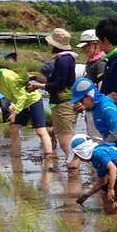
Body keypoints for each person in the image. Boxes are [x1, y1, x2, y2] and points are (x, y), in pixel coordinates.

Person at [0, 58, 55, 162]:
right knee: (13, 130)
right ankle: (16, 157)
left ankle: (49, 157)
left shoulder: (7, 76)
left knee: (40, 131)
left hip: (33, 100)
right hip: (20, 103)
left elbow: (22, 97)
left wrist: (14, 113)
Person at [70, 134, 117, 216]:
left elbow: (113, 169)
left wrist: (111, 189)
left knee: (113, 205)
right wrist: (87, 195)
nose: (79, 159)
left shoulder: (98, 153)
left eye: (78, 156)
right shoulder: (96, 157)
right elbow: (102, 181)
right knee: (105, 195)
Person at [42, 28, 78, 163]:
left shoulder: (63, 60)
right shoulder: (66, 59)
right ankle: (73, 170)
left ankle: (74, 172)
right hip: (64, 102)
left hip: (64, 103)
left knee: (65, 142)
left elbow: (60, 84)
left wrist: (40, 86)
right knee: (65, 139)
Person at [71, 76, 117, 143]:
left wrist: (101, 146)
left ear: (90, 95)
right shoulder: (94, 105)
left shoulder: (107, 108)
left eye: (81, 100)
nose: (80, 104)